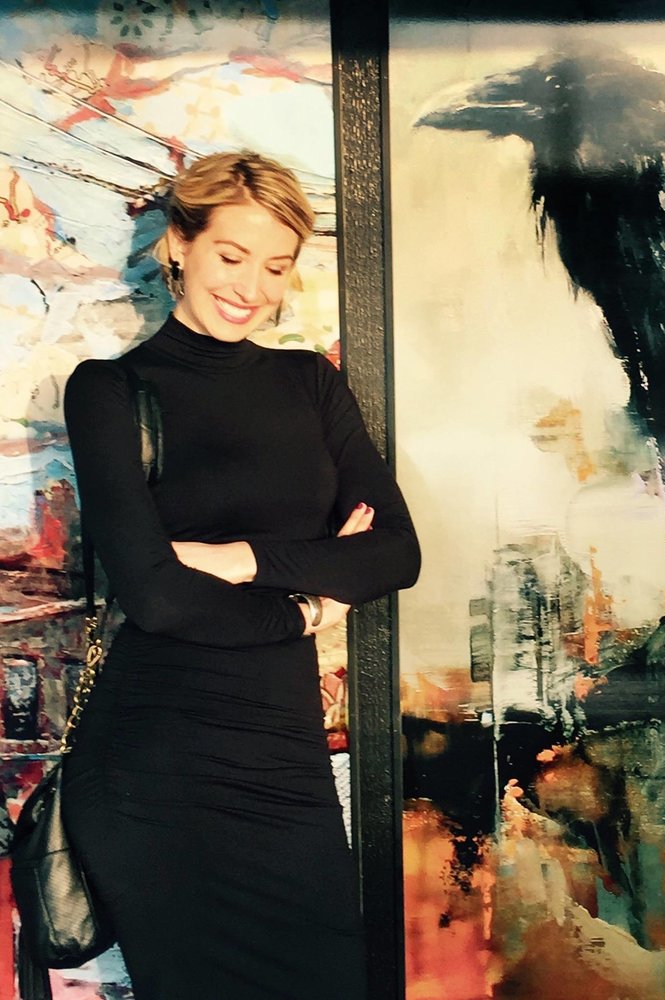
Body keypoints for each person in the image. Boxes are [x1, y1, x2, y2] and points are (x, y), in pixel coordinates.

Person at [60, 151, 420, 999]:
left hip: (284, 761)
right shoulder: (109, 391)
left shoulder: (309, 383)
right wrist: (306, 610)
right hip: (158, 770)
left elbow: (396, 553)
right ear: (178, 245)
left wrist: (237, 559)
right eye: (231, 256)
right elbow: (156, 598)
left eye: (276, 266)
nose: (251, 288)